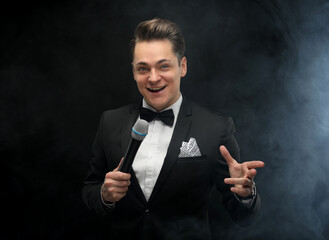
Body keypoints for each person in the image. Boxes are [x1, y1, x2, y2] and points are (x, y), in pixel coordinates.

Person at [82, 18, 265, 240]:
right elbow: (89, 190)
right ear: (133, 71)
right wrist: (104, 195)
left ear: (183, 66)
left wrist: (245, 194)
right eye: (143, 68)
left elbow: (244, 219)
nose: (153, 77)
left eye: (163, 66)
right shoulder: (109, 121)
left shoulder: (216, 127)